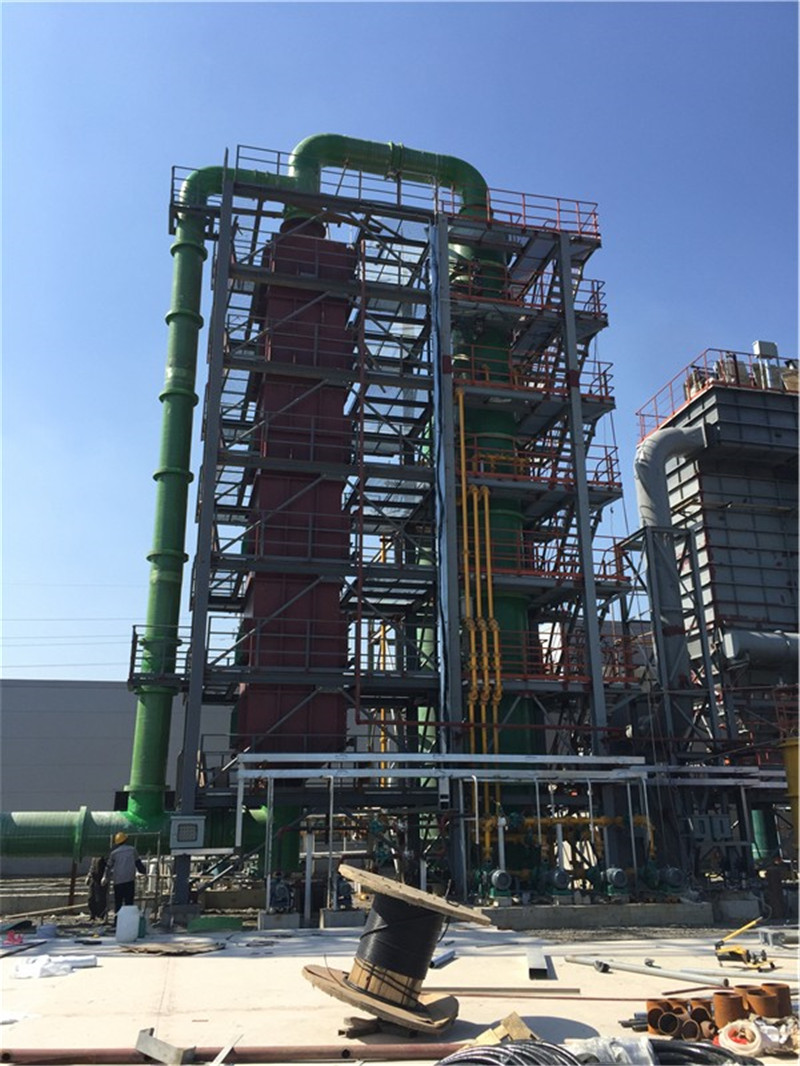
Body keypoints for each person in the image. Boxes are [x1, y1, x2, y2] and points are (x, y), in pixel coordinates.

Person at [104, 831, 145, 914]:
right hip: (129, 880)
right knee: (129, 902)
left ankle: (117, 919)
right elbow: (138, 863)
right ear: (126, 840)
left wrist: (105, 877)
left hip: (118, 882)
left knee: (118, 903)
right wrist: (144, 871)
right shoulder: (132, 850)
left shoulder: (114, 853)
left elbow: (108, 866)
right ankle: (128, 919)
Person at [86, 855, 108, 921]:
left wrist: (105, 876)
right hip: (93, 878)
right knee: (90, 898)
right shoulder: (94, 856)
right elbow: (92, 866)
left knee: (100, 898)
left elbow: (107, 867)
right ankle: (92, 915)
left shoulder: (104, 855)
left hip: (100, 879)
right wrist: (88, 876)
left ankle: (101, 915)